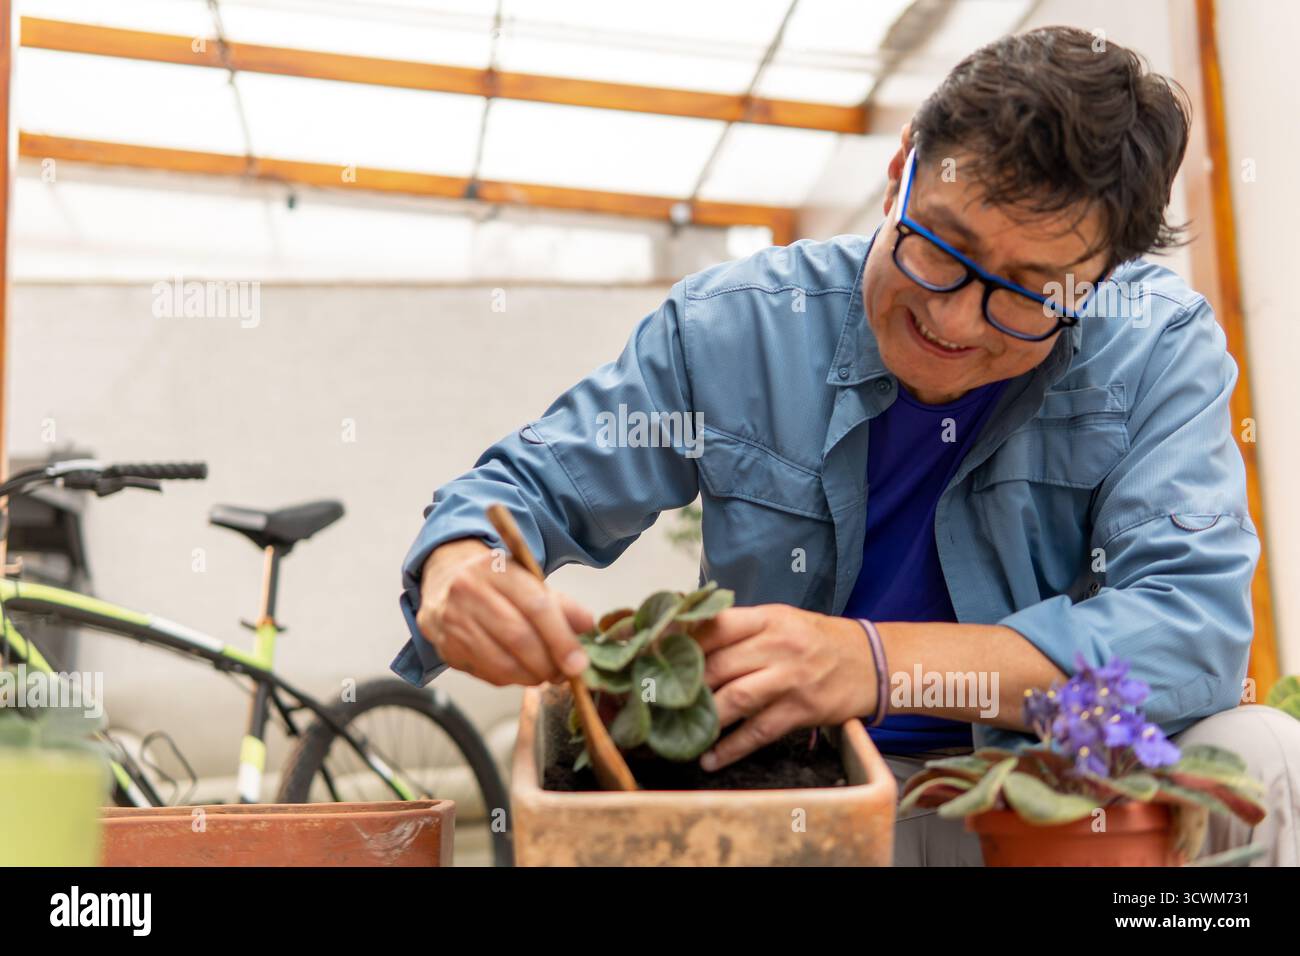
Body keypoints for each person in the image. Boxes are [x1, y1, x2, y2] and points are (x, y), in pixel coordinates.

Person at [391, 26, 1299, 865]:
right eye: (942, 245)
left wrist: (875, 663)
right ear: (902, 169)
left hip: (1055, 800)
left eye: (1030, 292)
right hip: (805, 806)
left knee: (1267, 752)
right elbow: (529, 485)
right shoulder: (737, 330)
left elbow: (1192, 632)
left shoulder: (1154, 346)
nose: (953, 319)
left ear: (1101, 285)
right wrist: (463, 567)